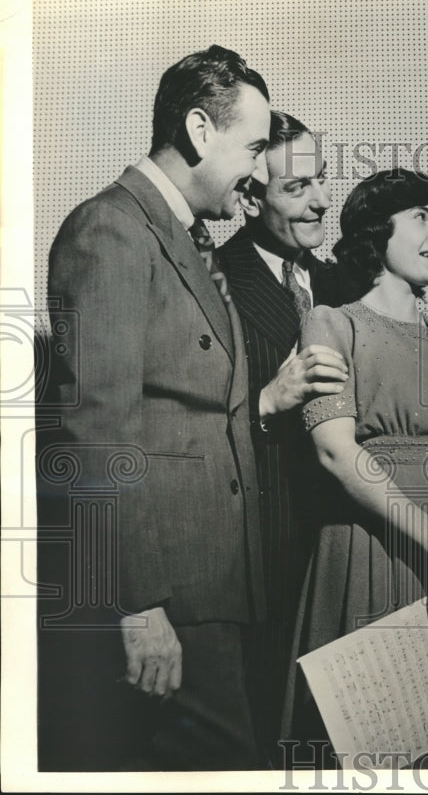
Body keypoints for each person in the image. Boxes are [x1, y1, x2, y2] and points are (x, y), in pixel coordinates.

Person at [37, 45, 272, 769]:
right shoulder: (110, 230)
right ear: (200, 131)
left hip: (211, 590)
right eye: (255, 147)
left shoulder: (183, 239)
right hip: (165, 594)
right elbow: (95, 432)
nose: (260, 171)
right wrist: (138, 607)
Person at [281, 169, 428, 765]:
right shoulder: (333, 323)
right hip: (376, 558)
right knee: (381, 755)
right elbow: (335, 451)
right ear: (378, 233)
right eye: (422, 218)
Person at [216, 110, 352, 765]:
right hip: (263, 575)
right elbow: (183, 442)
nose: (322, 199)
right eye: (297, 187)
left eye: (321, 179)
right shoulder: (211, 285)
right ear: (249, 196)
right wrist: (269, 400)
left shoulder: (339, 285)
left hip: (344, 566)